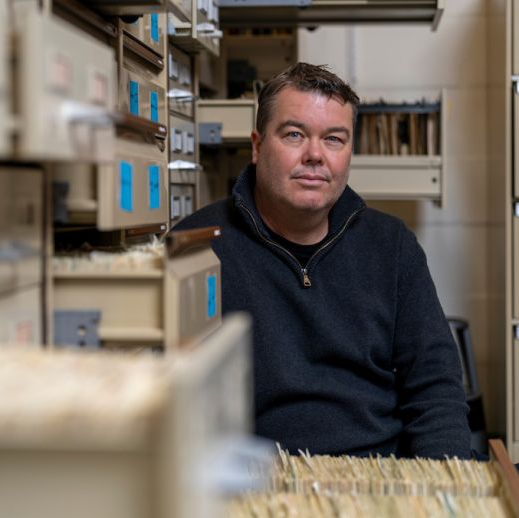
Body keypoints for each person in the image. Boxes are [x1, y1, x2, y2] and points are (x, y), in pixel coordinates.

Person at [175, 63, 471, 459]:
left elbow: (435, 388)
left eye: (334, 139)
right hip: (251, 481)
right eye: (294, 134)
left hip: (376, 474)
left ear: (349, 152)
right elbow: (169, 397)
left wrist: (444, 489)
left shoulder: (392, 245)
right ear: (257, 145)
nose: (315, 155)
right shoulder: (197, 246)